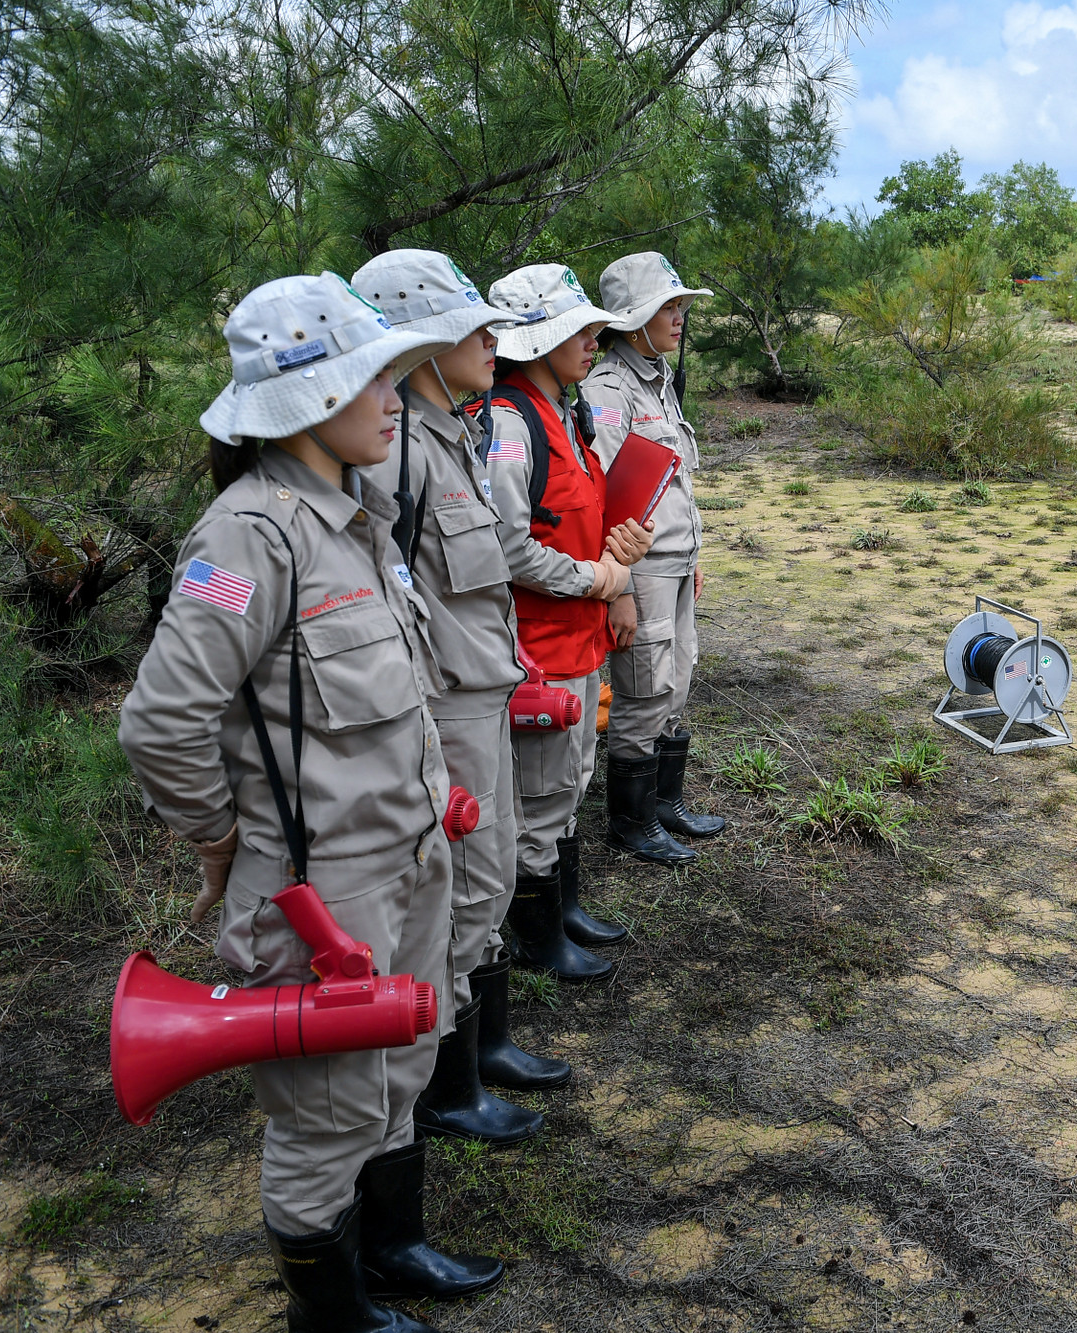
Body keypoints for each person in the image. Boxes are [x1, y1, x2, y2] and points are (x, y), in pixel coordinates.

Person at [118, 273, 500, 1332]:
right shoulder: (251, 537)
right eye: (370, 376)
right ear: (300, 404)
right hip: (321, 893)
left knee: (401, 1068)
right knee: (325, 1115)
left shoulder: (356, 516)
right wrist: (218, 837)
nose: (393, 394)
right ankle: (329, 1315)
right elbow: (160, 720)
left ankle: (393, 1247)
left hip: (406, 860)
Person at [349, 251, 649, 1147]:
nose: (492, 341)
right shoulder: (401, 451)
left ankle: (480, 1051)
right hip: (447, 702)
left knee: (490, 874)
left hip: (488, 683)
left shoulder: (462, 430)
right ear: (423, 346)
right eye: (471, 328)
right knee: (466, 888)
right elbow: (401, 594)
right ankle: (448, 1079)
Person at [481, 263, 641, 981]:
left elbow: (573, 514)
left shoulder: (568, 412)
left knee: (571, 782)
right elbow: (511, 547)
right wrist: (596, 578)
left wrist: (617, 556)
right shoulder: (512, 424)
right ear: (537, 342)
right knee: (541, 795)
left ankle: (562, 910)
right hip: (541, 647)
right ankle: (538, 941)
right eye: (577, 328)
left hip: (580, 639)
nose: (594, 336)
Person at [584, 252, 724, 865]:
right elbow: (602, 501)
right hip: (639, 569)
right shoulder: (607, 392)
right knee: (644, 688)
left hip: (675, 563)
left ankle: (665, 804)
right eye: (668, 307)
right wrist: (617, 588)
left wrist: (690, 552)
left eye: (680, 306)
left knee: (679, 677)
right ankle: (631, 821)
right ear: (631, 319)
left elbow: (668, 482)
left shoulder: (660, 381)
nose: (680, 317)